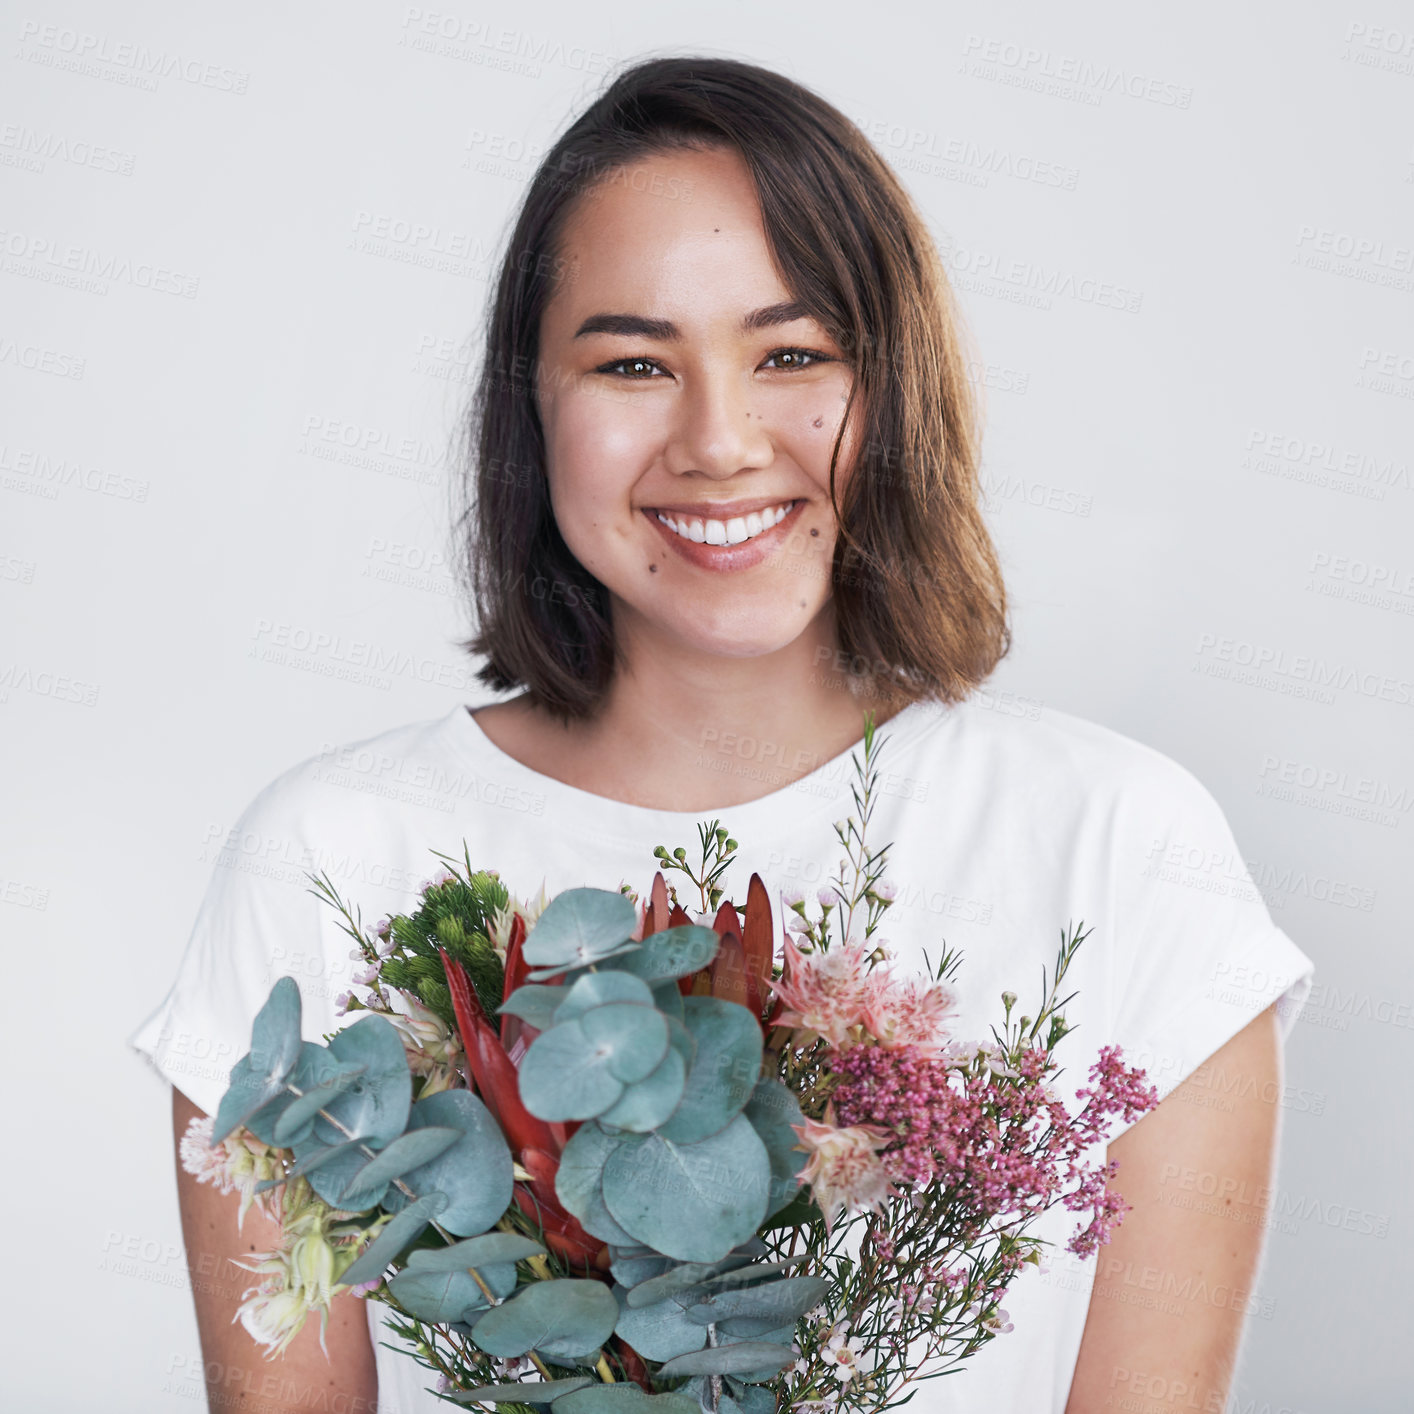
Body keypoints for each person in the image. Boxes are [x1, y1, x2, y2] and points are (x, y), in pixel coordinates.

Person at [131, 56, 1315, 1414]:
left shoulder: (1118, 847)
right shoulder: (328, 856)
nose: (718, 438)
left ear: (897, 388)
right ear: (535, 405)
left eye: (792, 354)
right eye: (633, 360)